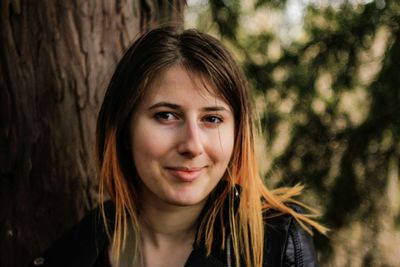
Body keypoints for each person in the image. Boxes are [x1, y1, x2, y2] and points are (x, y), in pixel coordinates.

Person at [30, 26, 328, 267]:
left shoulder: (274, 245)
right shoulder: (77, 251)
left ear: (238, 133)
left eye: (212, 119)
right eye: (166, 116)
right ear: (123, 130)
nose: (192, 145)